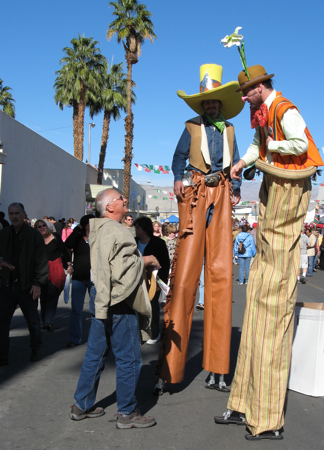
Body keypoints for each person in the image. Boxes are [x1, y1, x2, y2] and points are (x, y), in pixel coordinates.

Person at [215, 64, 324, 440]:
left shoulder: (285, 109)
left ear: (262, 86)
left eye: (247, 91)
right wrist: (244, 162)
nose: (243, 97)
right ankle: (244, 402)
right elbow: (255, 144)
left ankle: (268, 418)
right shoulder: (261, 112)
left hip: (288, 188)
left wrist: (266, 149)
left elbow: (300, 146)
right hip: (271, 188)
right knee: (259, 299)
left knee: (274, 300)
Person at [154, 64, 243, 392]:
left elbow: (237, 164)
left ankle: (217, 369)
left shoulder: (231, 129)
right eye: (206, 102)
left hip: (220, 190)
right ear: (202, 105)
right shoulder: (191, 127)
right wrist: (177, 178)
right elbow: (178, 157)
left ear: (219, 104)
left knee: (221, 273)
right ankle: (168, 370)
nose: (211, 106)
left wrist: (236, 185)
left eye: (214, 102)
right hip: (194, 191)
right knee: (185, 275)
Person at [70, 189, 156, 429]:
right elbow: (121, 271)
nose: (125, 200)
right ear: (109, 207)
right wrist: (146, 260)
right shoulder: (117, 231)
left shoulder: (100, 229)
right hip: (118, 301)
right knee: (129, 358)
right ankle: (126, 412)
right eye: (120, 199)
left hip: (101, 298)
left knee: (95, 355)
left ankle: (81, 405)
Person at [0, 203, 49, 364]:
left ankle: (35, 349)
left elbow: (41, 261)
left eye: (17, 213)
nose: (14, 216)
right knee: (2, 322)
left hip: (27, 285)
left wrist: (37, 283)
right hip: (7, 285)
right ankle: (3, 356)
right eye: (11, 213)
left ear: (24, 214)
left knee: (32, 321)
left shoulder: (33, 235)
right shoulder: (4, 233)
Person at [134, 216, 170, 344]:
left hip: (153, 280)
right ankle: (138, 333)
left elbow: (165, 264)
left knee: (153, 307)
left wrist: (162, 282)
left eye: (137, 227)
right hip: (135, 280)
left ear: (145, 228)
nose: (135, 230)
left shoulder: (159, 243)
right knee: (136, 307)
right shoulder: (133, 242)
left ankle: (154, 333)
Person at [35, 220, 72, 331]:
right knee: (43, 296)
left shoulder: (55, 236)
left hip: (56, 268)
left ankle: (48, 321)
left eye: (43, 226)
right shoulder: (36, 239)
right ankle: (44, 320)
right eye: (39, 226)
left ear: (47, 227)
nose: (42, 228)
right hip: (42, 269)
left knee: (52, 293)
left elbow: (64, 251)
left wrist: (69, 265)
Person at [65, 214, 94, 347]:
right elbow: (67, 244)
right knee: (76, 309)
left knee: (95, 310)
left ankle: (96, 339)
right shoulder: (78, 238)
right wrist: (78, 229)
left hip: (94, 279)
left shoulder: (97, 238)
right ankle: (74, 338)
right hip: (79, 278)